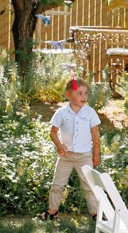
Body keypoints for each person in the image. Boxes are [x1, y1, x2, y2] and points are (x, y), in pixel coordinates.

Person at [41, 78, 102, 221]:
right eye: (79, 93)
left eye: (85, 93)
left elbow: (95, 136)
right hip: (65, 156)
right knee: (57, 184)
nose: (84, 97)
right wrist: (59, 145)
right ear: (69, 95)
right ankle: (52, 212)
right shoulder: (61, 113)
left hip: (84, 156)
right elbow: (53, 132)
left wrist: (96, 154)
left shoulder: (90, 113)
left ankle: (96, 214)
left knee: (89, 185)